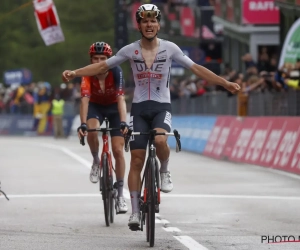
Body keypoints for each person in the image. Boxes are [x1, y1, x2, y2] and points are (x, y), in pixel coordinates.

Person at [62, 4, 240, 228]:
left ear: (158, 24)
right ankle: (135, 211)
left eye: (153, 20)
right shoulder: (129, 50)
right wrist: (75, 73)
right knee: (136, 159)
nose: (149, 24)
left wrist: (225, 83)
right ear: (139, 25)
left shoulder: (170, 48)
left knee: (159, 139)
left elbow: (196, 69)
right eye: (144, 21)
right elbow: (101, 67)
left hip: (161, 107)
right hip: (139, 108)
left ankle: (164, 169)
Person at [77, 41, 128, 213]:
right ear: (90, 60)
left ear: (109, 59)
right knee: (92, 131)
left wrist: (123, 122)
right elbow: (84, 100)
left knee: (118, 151)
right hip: (95, 106)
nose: (99, 62)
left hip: (114, 108)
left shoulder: (116, 71)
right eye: (95, 58)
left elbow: (121, 99)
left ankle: (120, 195)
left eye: (103, 58)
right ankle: (96, 161)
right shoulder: (87, 74)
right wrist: (82, 124)